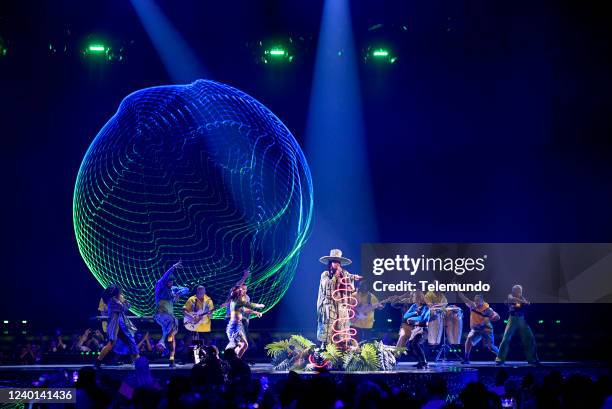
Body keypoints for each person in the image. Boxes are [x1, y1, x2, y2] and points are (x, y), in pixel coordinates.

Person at [316, 249, 363, 348]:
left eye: (338, 262)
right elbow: (326, 286)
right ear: (330, 263)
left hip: (341, 305)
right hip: (329, 305)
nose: (337, 264)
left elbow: (349, 278)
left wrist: (354, 277)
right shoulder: (325, 274)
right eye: (334, 261)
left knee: (341, 326)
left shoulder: (344, 273)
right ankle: (326, 347)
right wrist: (334, 278)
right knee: (329, 326)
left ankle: (341, 347)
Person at [154, 260, 189, 367]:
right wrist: (173, 267)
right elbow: (164, 277)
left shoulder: (172, 289)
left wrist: (178, 293)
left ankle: (171, 358)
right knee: (173, 320)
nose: (171, 283)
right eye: (169, 282)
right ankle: (162, 341)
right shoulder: (160, 287)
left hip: (169, 319)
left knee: (172, 338)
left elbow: (186, 289)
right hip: (161, 316)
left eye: (172, 282)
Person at [95, 284, 139, 368]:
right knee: (127, 342)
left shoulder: (114, 300)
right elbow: (125, 308)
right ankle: (138, 362)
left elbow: (126, 307)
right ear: (116, 293)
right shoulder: (114, 301)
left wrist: (124, 301)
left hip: (119, 326)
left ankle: (98, 361)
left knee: (129, 342)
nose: (121, 293)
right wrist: (125, 301)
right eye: (120, 292)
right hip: (117, 326)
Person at [495, 284, 540, 365]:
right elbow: (513, 300)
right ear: (514, 291)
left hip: (521, 319)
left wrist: (524, 303)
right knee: (506, 338)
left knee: (529, 338)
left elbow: (523, 305)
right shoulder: (510, 296)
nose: (519, 292)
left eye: (520, 290)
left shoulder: (522, 298)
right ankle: (500, 359)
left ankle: (532, 359)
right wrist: (524, 303)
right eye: (517, 290)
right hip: (513, 319)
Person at [458, 292, 500, 364]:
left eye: (478, 300)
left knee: (490, 346)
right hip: (476, 330)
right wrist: (458, 290)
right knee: (469, 340)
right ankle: (466, 359)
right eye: (475, 300)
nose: (476, 302)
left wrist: (488, 319)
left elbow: (497, 317)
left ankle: (501, 356)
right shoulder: (472, 305)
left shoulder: (487, 309)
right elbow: (464, 298)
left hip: (486, 330)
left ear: (482, 301)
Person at [226, 285, 264, 358]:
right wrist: (260, 305)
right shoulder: (237, 301)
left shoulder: (237, 301)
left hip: (238, 326)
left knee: (242, 345)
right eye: (241, 290)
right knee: (236, 345)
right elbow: (249, 304)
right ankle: (231, 359)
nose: (243, 291)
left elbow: (245, 309)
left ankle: (234, 359)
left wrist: (256, 313)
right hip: (234, 327)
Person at [403, 290, 430, 369]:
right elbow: (406, 315)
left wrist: (412, 318)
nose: (412, 298)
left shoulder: (426, 307)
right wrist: (414, 313)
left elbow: (422, 318)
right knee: (411, 346)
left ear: (418, 297)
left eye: (413, 296)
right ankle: (420, 361)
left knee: (415, 344)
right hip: (416, 329)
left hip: (423, 329)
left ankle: (424, 362)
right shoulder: (414, 306)